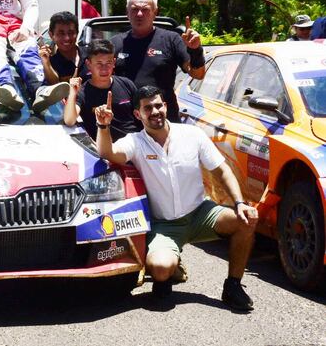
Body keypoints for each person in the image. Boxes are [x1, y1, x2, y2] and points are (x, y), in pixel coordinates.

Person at [95, 85, 258, 311]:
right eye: (147, 108)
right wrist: (103, 126)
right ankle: (165, 277)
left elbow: (222, 170)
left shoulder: (191, 134)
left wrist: (240, 203)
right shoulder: (135, 142)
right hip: (164, 225)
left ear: (166, 106)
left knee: (247, 219)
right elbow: (107, 153)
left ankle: (233, 286)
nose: (155, 111)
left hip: (201, 213)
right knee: (161, 267)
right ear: (137, 114)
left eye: (158, 105)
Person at [110, 0, 206, 122]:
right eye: (134, 9)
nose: (139, 14)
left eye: (145, 9)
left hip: (163, 121)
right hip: (127, 123)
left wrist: (195, 50)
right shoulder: (115, 44)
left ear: (155, 12)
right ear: (127, 13)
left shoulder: (171, 39)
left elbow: (198, 74)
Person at [63, 39, 139, 140]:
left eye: (108, 63)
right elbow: (69, 120)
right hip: (103, 149)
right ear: (88, 64)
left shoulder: (127, 84)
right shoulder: (82, 92)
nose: (104, 69)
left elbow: (142, 115)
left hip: (135, 145)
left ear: (114, 63)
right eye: (99, 63)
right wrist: (72, 93)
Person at [39, 11, 87, 85]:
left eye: (70, 33)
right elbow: (54, 86)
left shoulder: (91, 55)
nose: (67, 38)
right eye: (61, 33)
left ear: (77, 33)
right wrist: (46, 63)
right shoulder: (51, 63)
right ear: (51, 35)